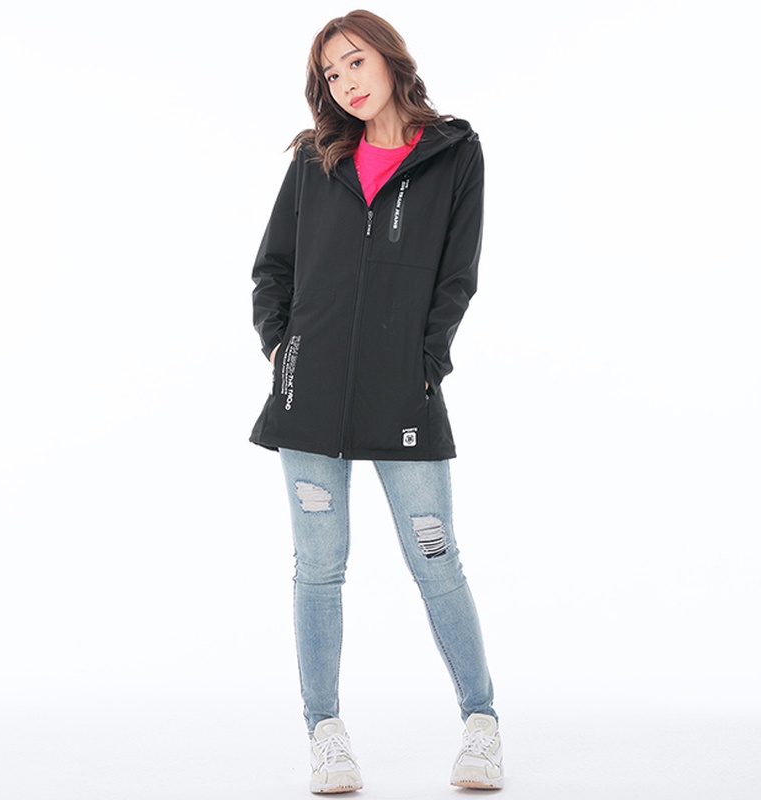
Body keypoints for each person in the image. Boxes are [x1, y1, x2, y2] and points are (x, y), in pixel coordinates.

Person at [250, 9, 503, 793]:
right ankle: (325, 733)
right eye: (331, 73)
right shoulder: (314, 161)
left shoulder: (453, 152)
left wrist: (425, 366)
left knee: (435, 557)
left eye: (355, 62)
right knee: (318, 568)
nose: (345, 82)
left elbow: (457, 277)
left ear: (391, 58)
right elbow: (272, 270)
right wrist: (281, 351)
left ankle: (481, 722)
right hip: (310, 400)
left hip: (403, 395)